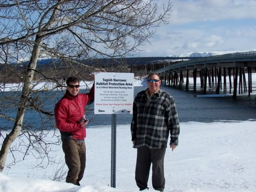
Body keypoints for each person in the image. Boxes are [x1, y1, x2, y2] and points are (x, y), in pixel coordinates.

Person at [131, 73, 180, 192]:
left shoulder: (167, 98)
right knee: (141, 167)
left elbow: (174, 120)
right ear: (147, 82)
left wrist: (174, 140)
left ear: (160, 82)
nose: (153, 83)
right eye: (150, 81)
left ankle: (158, 189)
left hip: (158, 139)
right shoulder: (139, 96)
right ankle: (142, 188)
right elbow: (135, 119)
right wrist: (134, 136)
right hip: (142, 138)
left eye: (155, 81)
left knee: (157, 168)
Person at [54, 76, 94, 186]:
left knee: (81, 168)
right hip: (70, 139)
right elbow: (60, 125)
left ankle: (75, 187)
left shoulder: (81, 98)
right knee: (75, 168)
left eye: (77, 86)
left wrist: (97, 80)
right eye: (72, 86)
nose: (75, 89)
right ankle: (69, 188)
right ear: (67, 87)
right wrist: (78, 125)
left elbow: (92, 96)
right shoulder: (62, 103)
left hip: (81, 139)